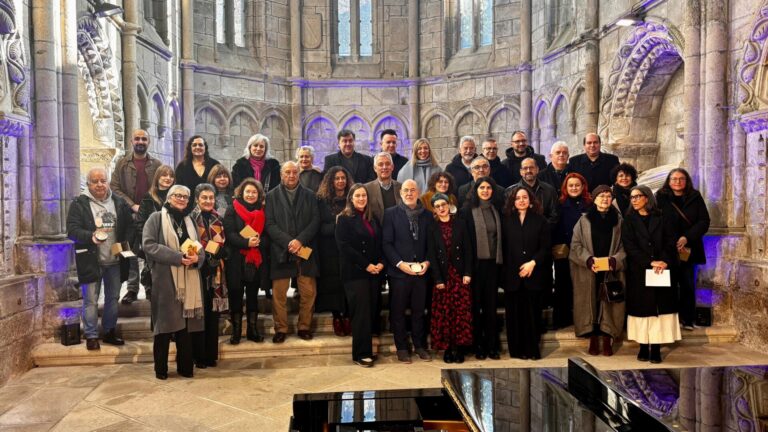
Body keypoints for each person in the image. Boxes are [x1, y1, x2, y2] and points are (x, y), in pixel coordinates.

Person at [142, 185, 205, 379]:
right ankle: (160, 369)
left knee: (185, 327)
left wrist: (198, 259)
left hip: (189, 277)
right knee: (164, 326)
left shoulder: (190, 220)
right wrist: (177, 257)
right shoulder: (156, 218)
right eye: (178, 195)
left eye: (185, 197)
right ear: (169, 198)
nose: (182, 199)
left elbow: (199, 247)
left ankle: (185, 367)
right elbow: (148, 245)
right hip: (165, 279)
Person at [67, 168, 132, 350]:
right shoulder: (79, 204)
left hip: (115, 261)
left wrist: (126, 246)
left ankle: (109, 331)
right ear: (88, 184)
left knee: (113, 298)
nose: (99, 184)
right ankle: (91, 335)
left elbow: (129, 227)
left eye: (103, 180)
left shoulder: (118, 202)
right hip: (91, 260)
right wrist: (90, 236)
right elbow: (72, 230)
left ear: (108, 182)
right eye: (95, 181)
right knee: (91, 300)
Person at [622, 185, 680, 363]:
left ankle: (655, 348)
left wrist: (663, 261)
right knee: (642, 310)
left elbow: (670, 242)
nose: (634, 200)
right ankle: (642, 346)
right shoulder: (629, 220)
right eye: (632, 198)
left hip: (661, 269)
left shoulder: (662, 218)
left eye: (637, 196)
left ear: (647, 198)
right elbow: (629, 246)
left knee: (659, 310)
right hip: (639, 270)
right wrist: (649, 262)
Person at [265, 161, 320, 342]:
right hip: (281, 250)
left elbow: (315, 221)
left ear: (299, 174)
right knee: (279, 293)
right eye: (287, 172)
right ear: (281, 174)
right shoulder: (272, 196)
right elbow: (270, 224)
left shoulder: (310, 195)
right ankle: (281, 328)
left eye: (294, 172)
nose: (291, 175)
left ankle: (304, 327)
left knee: (308, 291)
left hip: (305, 249)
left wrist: (300, 240)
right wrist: (289, 242)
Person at [569, 185, 626, 357]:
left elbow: (626, 246)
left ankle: (607, 337)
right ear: (594, 199)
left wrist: (614, 260)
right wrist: (588, 259)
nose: (605, 199)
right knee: (591, 300)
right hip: (590, 269)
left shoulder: (619, 221)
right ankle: (593, 335)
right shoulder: (584, 221)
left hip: (610, 269)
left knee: (610, 301)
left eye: (608, 196)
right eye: (601, 196)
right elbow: (575, 245)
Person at [383, 179, 433, 363]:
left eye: (413, 190)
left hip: (421, 272)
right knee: (398, 311)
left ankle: (420, 346)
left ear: (418, 192)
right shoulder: (390, 214)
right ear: (400, 193)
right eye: (406, 190)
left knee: (419, 311)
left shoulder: (427, 215)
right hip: (399, 273)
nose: (409, 193)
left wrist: (427, 262)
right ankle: (402, 347)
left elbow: (431, 244)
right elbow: (386, 243)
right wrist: (399, 264)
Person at [335, 184, 384, 367]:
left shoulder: (372, 218)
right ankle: (361, 354)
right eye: (358, 196)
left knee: (370, 311)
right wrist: (366, 265)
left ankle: (367, 350)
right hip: (355, 273)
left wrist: (380, 262)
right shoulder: (344, 219)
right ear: (351, 198)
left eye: (364, 195)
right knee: (361, 314)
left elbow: (379, 242)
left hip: (374, 272)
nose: (362, 198)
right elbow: (344, 247)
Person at [655, 168, 710, 330]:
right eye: (674, 179)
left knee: (687, 283)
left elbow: (704, 221)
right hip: (667, 247)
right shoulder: (661, 197)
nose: (677, 182)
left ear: (687, 181)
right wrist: (672, 241)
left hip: (688, 248)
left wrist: (687, 237)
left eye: (681, 179)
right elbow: (657, 221)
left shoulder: (695, 197)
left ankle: (687, 319)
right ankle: (670, 319)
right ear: (668, 181)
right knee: (668, 284)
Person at [112, 129, 163, 305]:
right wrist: (133, 205)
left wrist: (147, 206)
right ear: (131, 142)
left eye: (144, 139)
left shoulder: (156, 164)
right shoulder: (122, 164)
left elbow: (160, 186)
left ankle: (150, 286)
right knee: (128, 252)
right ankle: (132, 289)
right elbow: (115, 188)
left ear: (148, 142)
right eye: (137, 139)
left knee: (151, 251)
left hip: (151, 215)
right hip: (127, 216)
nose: (140, 141)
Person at [501, 185, 551, 359]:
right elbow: (504, 248)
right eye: (517, 198)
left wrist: (532, 263)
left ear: (530, 200)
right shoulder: (506, 220)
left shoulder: (541, 220)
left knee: (532, 315)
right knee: (514, 315)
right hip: (512, 275)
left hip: (534, 274)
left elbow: (545, 248)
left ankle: (531, 350)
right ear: (513, 202)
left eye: (524, 197)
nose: (521, 200)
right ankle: (517, 350)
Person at [460, 177, 505, 360]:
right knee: (475, 307)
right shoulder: (467, 211)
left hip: (493, 265)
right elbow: (465, 242)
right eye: (482, 188)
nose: (485, 190)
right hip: (475, 266)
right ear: (476, 190)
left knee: (491, 307)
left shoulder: (497, 210)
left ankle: (492, 345)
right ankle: (477, 345)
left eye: (488, 188)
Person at [427, 193, 473, 363]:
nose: (441, 208)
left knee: (460, 313)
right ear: (434, 209)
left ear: (449, 205)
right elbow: (431, 255)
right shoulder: (431, 227)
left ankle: (459, 348)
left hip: (459, 275)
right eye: (437, 206)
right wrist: (438, 279)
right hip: (443, 277)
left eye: (443, 204)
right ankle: (447, 348)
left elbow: (468, 250)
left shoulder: (460, 224)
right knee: (445, 313)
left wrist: (468, 273)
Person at [223, 178, 268, 344]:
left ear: (259, 194)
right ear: (241, 192)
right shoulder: (232, 209)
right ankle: (236, 332)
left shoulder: (263, 210)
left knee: (252, 295)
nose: (250, 195)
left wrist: (259, 242)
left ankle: (252, 329)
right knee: (235, 294)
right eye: (248, 191)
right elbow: (229, 233)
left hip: (254, 259)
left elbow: (267, 234)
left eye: (254, 192)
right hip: (236, 259)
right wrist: (246, 242)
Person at [189, 184, 227, 368]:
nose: (208, 201)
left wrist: (219, 253)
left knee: (212, 314)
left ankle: (211, 354)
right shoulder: (190, 218)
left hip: (215, 270)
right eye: (204, 197)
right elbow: (188, 243)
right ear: (197, 199)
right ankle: (199, 355)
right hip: (196, 269)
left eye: (211, 198)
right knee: (199, 313)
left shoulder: (217, 218)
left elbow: (222, 241)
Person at [551, 173, 592, 329]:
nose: (574, 188)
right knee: (562, 285)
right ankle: (562, 319)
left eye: (577, 185)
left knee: (583, 285)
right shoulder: (559, 204)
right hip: (564, 250)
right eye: (571, 185)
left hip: (584, 251)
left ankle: (583, 320)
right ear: (565, 188)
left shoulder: (589, 204)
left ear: (583, 187)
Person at [316, 166, 353, 336]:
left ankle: (347, 316)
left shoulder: (352, 198)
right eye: (337, 178)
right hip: (329, 249)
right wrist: (338, 224)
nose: (340, 181)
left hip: (349, 248)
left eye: (343, 178)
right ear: (331, 181)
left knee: (348, 283)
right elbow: (320, 227)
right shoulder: (322, 200)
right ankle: (337, 316)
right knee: (334, 284)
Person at [134, 165, 176, 299]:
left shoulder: (177, 197)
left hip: (172, 246)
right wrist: (148, 243)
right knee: (155, 290)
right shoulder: (148, 197)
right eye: (164, 175)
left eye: (171, 176)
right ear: (157, 177)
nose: (168, 178)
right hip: (154, 246)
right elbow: (140, 223)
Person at [175, 135, 221, 211]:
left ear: (205, 148)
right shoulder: (182, 166)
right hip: (188, 208)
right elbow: (178, 187)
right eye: (194, 145)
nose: (197, 147)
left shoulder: (214, 164)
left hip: (211, 207)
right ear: (190, 148)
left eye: (200, 145)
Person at [509, 157, 559, 225]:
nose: (528, 170)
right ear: (520, 172)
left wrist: (541, 229)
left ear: (537, 170)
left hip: (544, 233)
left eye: (531, 167)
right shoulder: (510, 192)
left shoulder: (549, 190)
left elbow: (554, 216)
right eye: (525, 168)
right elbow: (508, 217)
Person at [364, 152, 402, 225]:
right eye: (380, 164)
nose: (384, 167)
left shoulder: (402, 187)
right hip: (376, 233)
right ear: (375, 168)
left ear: (392, 167)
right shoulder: (366, 189)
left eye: (387, 164)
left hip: (398, 232)